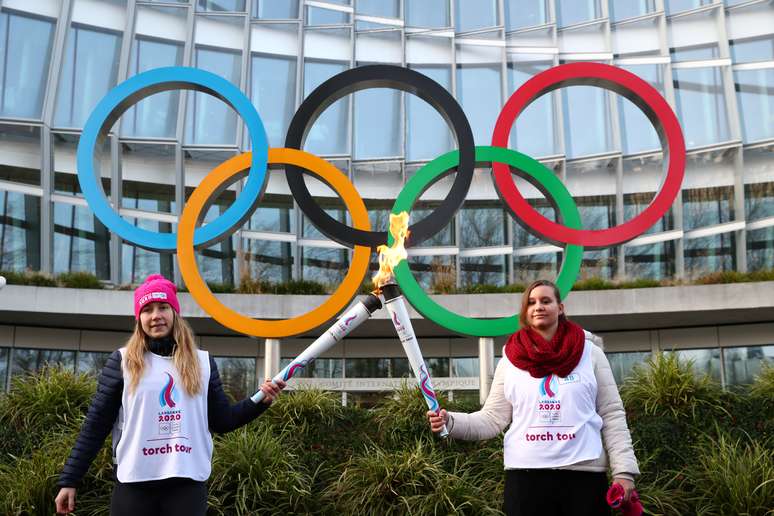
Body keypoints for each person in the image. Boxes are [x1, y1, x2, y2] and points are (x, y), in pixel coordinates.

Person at [54, 274, 286, 516]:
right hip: (134, 483)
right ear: (139, 319)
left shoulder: (203, 362)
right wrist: (69, 480)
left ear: (175, 313)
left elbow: (222, 421)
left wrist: (260, 401)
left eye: (163, 307)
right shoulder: (122, 362)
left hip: (186, 486)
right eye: (147, 310)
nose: (156, 316)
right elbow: (96, 424)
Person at [427, 279, 639, 516]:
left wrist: (624, 472)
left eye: (546, 301)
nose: (538, 306)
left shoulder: (591, 354)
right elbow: (492, 419)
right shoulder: (510, 359)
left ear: (560, 308)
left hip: (584, 479)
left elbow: (612, 415)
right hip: (525, 480)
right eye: (531, 302)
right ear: (525, 311)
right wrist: (450, 421)